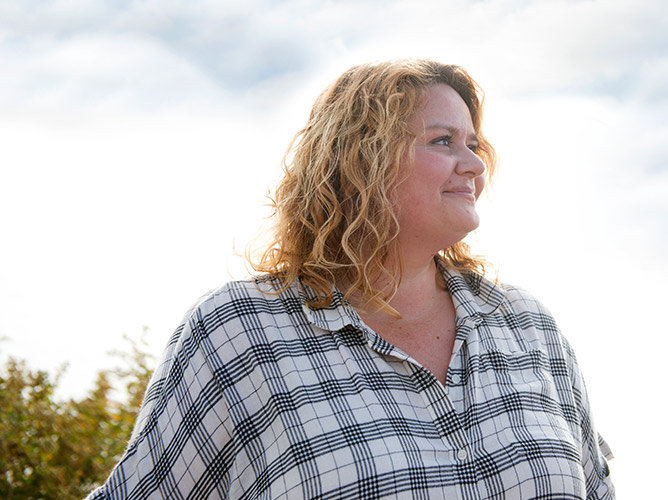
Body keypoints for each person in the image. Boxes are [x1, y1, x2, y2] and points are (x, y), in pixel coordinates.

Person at [87, 59, 615, 499]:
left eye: (473, 145)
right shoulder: (239, 332)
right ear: (363, 160)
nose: (474, 165)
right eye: (443, 141)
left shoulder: (527, 325)